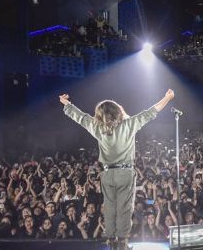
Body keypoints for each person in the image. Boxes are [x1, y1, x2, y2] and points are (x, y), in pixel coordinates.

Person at [59, 89, 175, 250]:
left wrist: (67, 104)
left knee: (110, 208)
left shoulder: (97, 126)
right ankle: (121, 244)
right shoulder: (129, 124)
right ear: (117, 112)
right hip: (125, 172)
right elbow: (151, 112)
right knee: (124, 209)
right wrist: (167, 98)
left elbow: (81, 117)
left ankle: (111, 241)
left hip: (107, 173)